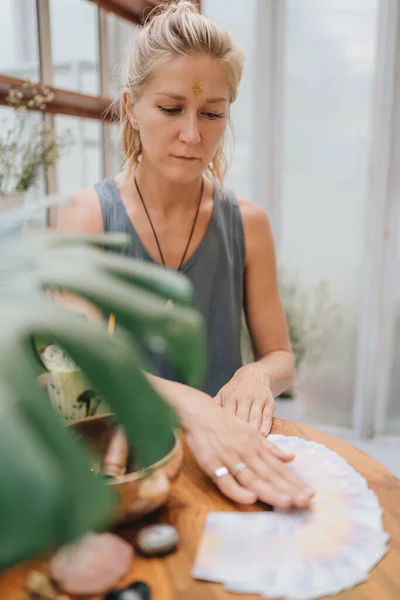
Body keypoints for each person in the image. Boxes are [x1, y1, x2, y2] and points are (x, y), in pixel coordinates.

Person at [57, 0, 314, 509]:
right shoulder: (87, 216)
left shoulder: (248, 224)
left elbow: (281, 356)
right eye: (171, 109)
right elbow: (84, 360)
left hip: (233, 452)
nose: (193, 135)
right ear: (131, 107)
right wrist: (195, 407)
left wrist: (256, 374)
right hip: (128, 458)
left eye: (212, 113)